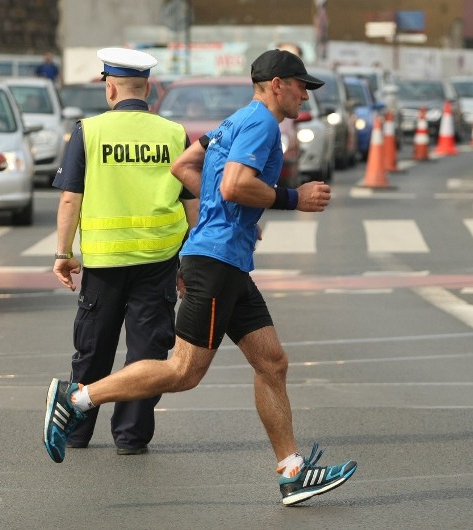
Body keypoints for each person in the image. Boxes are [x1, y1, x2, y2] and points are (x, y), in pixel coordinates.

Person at [43, 49, 358, 506]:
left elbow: (185, 167)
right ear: (276, 85)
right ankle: (75, 399)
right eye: (300, 85)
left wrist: (218, 212)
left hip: (224, 259)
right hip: (216, 262)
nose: (304, 95)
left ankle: (291, 472)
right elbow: (233, 183)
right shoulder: (263, 124)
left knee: (272, 362)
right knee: (183, 371)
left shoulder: (234, 121)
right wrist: (292, 197)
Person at [48, 47, 198, 456]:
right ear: (148, 88)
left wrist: (63, 253)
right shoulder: (173, 133)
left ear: (109, 87)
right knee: (148, 350)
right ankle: (131, 437)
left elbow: (69, 200)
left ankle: (76, 431)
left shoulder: (88, 131)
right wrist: (189, 263)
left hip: (105, 264)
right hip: (159, 260)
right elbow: (191, 205)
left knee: (93, 348)